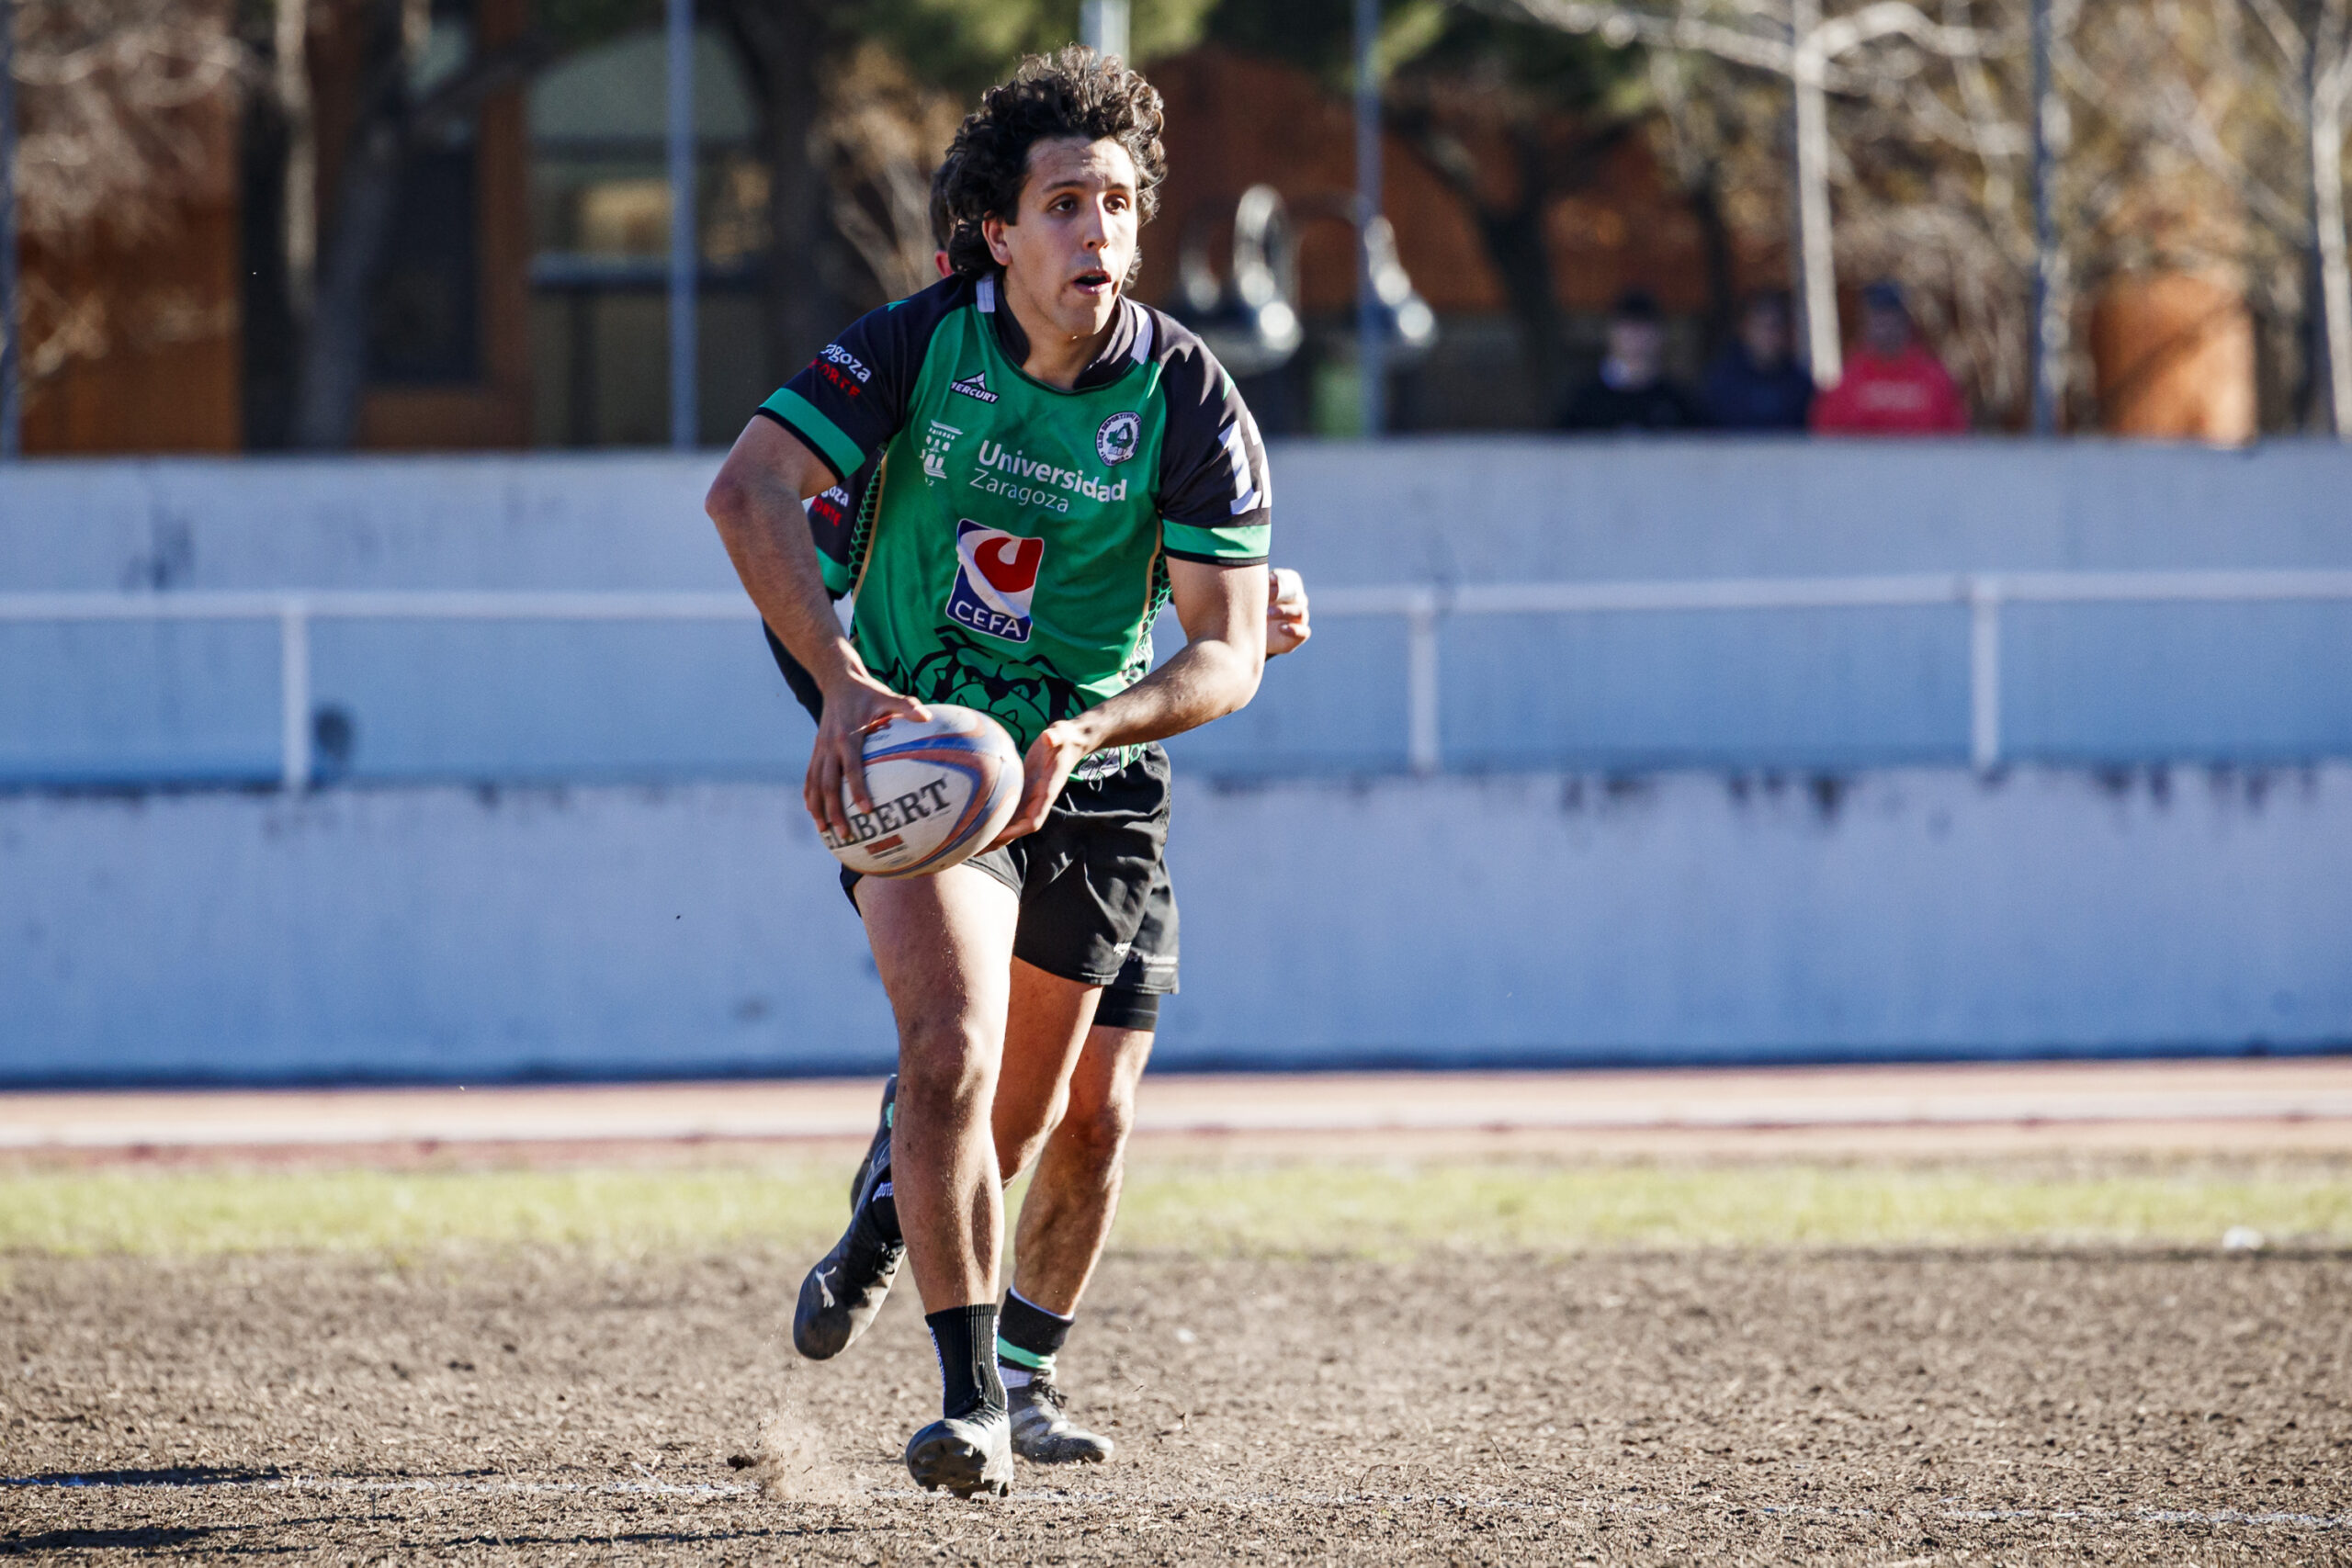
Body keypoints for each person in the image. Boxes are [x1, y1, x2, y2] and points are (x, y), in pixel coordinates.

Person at [705, 48, 1276, 1500]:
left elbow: (1229, 655)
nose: (1101, 232)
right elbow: (747, 490)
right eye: (1069, 203)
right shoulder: (910, 347)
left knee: (1065, 1111)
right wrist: (843, 690)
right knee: (950, 1050)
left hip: (1086, 765)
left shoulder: (1189, 399)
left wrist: (1094, 726)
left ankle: (897, 1232)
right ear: (1002, 231)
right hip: (919, 749)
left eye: (1122, 204)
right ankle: (971, 1402)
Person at [1809, 280, 1970, 435]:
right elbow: (1826, 435)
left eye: (1892, 319)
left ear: (1906, 322)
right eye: (1879, 321)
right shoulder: (1848, 380)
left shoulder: (1935, 379)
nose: (1886, 330)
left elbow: (1956, 436)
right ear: (1866, 324)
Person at [1555, 288, 1703, 433]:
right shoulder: (1585, 401)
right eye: (1628, 328)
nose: (1636, 339)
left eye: (1644, 329)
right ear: (1611, 333)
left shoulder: (1678, 402)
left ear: (1660, 335)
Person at [1701, 290, 1815, 432]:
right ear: (1744, 329)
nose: (1768, 335)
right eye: (1760, 326)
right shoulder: (1720, 385)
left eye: (1775, 327)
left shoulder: (1801, 387)